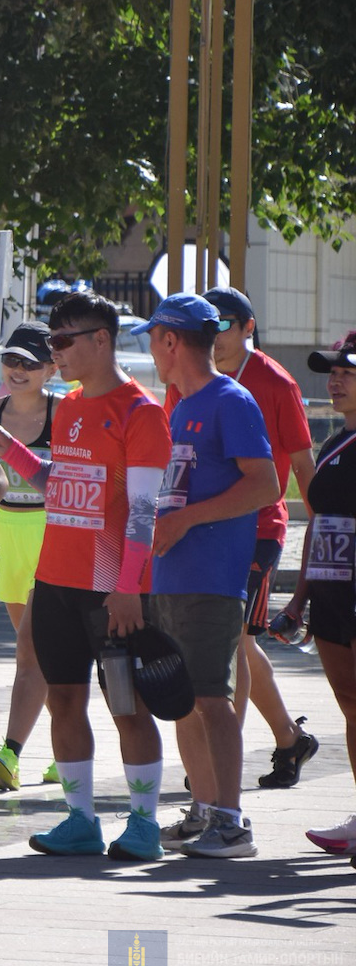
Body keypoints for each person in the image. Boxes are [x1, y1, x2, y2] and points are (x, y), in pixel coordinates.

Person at [0, 291, 171, 860]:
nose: (53, 351)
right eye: (52, 340)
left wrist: (128, 588)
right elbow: (57, 484)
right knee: (63, 700)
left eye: (63, 340)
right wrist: (9, 447)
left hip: (110, 590)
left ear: (101, 340)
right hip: (55, 580)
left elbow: (143, 512)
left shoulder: (140, 412)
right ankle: (80, 819)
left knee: (127, 707)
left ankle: (144, 824)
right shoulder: (71, 407)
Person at [136, 293, 280, 858]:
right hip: (170, 577)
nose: (151, 350)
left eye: (153, 339)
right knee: (183, 700)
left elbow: (265, 484)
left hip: (212, 578)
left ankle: (231, 822)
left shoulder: (231, 400)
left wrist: (188, 519)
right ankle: (202, 810)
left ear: (171, 341)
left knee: (211, 700)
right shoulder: (178, 405)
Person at [175, 287, 319, 788]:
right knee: (239, 643)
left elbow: (302, 465)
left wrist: (324, 540)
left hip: (258, 530)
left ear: (248, 327)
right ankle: (289, 739)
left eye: (226, 324)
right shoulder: (186, 378)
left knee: (233, 641)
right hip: (199, 527)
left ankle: (220, 768)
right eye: (207, 325)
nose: (215, 335)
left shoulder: (276, 382)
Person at [0, 322, 60, 792]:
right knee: (42, 653)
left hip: (54, 535)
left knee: (32, 649)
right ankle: (69, 750)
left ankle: (10, 753)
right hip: (9, 533)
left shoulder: (65, 414)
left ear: (51, 369)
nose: (18, 369)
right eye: (11, 359)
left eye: (30, 362)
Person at [297, 335, 356, 859]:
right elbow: (318, 524)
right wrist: (299, 598)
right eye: (332, 373)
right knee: (350, 706)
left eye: (347, 373)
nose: (335, 381)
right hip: (330, 596)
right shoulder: (333, 443)